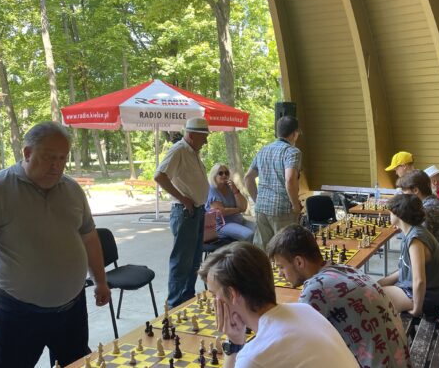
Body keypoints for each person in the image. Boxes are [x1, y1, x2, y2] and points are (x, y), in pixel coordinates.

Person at [0, 121, 111, 367]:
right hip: (15, 313)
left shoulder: (72, 189)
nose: (57, 165)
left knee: (77, 363)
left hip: (71, 309)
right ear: (27, 153)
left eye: (62, 157)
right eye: (49, 157)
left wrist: (100, 280)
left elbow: (89, 237)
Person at [267, 224, 411, 368]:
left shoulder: (315, 290)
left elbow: (298, 347)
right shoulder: (345, 269)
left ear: (299, 262)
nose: (280, 274)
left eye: (281, 267)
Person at [198, 241, 359, 368]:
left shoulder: (255, 357)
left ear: (232, 294)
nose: (214, 303)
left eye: (214, 294)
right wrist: (236, 338)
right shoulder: (306, 310)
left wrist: (234, 344)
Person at [154, 117, 210, 308]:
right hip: (185, 211)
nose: (206, 141)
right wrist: (183, 198)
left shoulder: (192, 151)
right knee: (182, 261)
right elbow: (159, 176)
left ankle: (187, 299)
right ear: (192, 135)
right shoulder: (179, 150)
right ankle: (175, 304)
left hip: (197, 211)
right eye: (204, 137)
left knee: (194, 260)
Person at [377, 194, 439, 318]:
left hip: (428, 297)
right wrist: (378, 283)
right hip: (417, 291)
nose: (389, 215)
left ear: (398, 214)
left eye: (390, 213)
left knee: (372, 299)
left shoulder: (416, 239)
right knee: (372, 291)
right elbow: (405, 270)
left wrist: (417, 309)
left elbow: (419, 281)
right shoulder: (412, 232)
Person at [244, 116, 303, 250]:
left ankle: (262, 272)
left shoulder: (263, 150)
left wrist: (257, 200)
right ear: (295, 134)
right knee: (285, 250)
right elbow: (290, 179)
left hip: (261, 208)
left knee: (262, 251)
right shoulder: (292, 152)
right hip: (282, 209)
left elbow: (248, 177)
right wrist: (295, 206)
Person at [397, 170, 439, 287]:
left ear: (415, 190)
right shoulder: (435, 202)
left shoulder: (426, 211)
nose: (402, 196)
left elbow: (417, 251)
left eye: (404, 191)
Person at [207, 163, 256, 242]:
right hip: (222, 225)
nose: (224, 175)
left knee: (260, 229)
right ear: (214, 176)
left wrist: (235, 190)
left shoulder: (230, 187)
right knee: (249, 235)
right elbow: (221, 212)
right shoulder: (212, 190)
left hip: (238, 220)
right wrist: (237, 210)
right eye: (220, 173)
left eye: (226, 173)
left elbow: (243, 207)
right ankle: (247, 254)